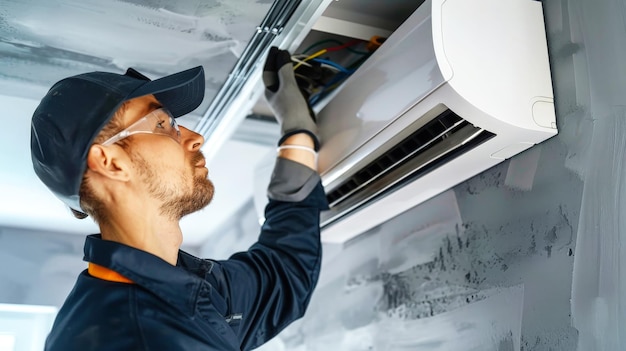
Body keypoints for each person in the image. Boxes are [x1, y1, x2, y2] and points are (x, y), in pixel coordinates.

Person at [30, 47, 328, 351]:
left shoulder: (175, 289)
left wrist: (298, 133)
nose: (195, 136)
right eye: (162, 124)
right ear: (111, 162)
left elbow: (283, 276)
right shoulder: (132, 337)